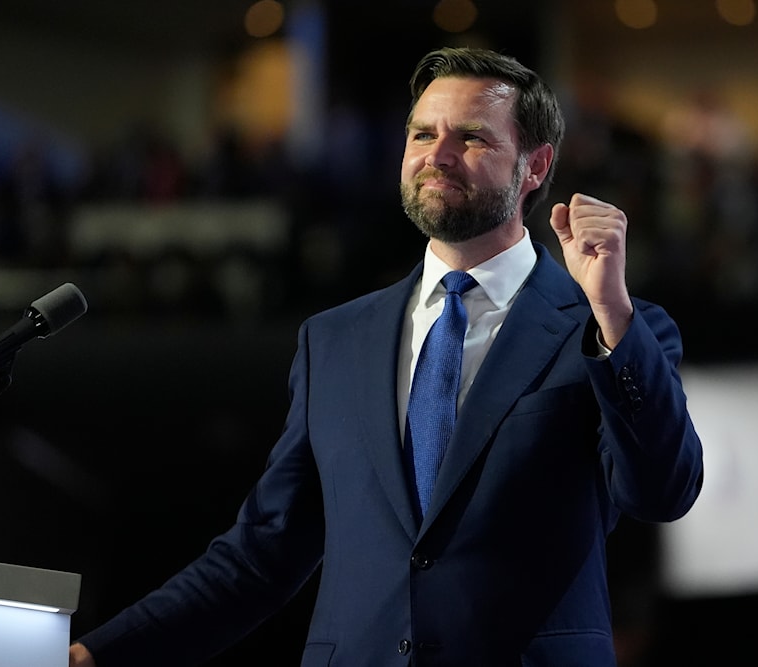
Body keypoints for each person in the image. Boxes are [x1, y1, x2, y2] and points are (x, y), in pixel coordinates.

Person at [69, 45, 704, 667]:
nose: (438, 156)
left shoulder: (616, 329)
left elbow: (662, 492)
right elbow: (262, 555)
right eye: (422, 134)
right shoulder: (334, 341)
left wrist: (611, 313)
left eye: (473, 138)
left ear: (535, 166)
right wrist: (101, 652)